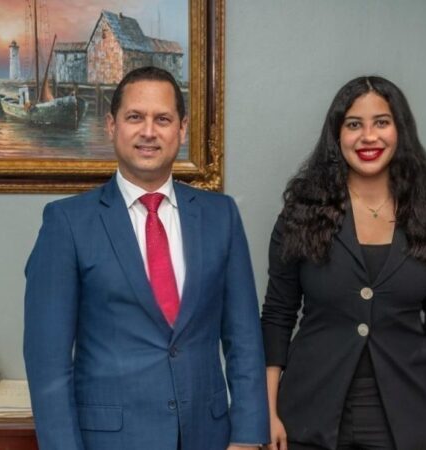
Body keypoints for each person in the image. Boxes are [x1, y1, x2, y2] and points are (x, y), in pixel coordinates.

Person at [23, 66, 269, 450]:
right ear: (111, 125)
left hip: (208, 437)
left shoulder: (220, 216)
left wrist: (248, 437)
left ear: (182, 129)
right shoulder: (67, 222)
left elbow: (245, 338)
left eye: (163, 119)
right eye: (135, 117)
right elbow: (47, 362)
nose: (149, 131)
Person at [261, 76, 426, 450]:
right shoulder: (300, 215)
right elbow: (277, 314)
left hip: (410, 417)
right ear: (337, 135)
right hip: (309, 414)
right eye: (354, 124)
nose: (368, 136)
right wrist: (267, 411)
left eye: (381, 122)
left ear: (400, 130)